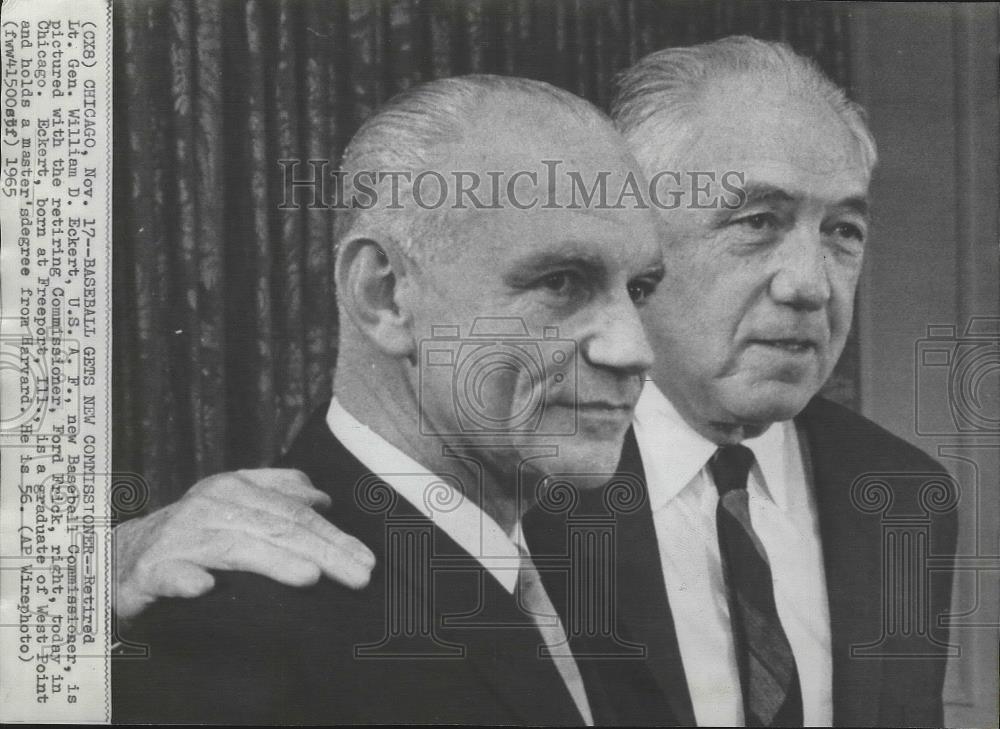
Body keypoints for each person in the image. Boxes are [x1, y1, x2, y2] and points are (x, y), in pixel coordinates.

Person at [115, 38, 958, 727]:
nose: (811, 283)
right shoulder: (493, 473)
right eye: (758, 221)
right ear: (383, 293)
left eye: (844, 230)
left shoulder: (902, 492)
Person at [112, 74, 668, 724]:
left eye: (640, 289)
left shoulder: (580, 562)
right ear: (384, 295)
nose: (634, 350)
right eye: (562, 282)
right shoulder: (235, 619)